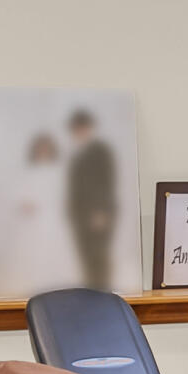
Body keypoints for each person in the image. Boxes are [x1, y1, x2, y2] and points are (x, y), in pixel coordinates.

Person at [64, 107, 120, 289]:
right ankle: (91, 292)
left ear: (88, 128)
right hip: (80, 214)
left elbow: (107, 182)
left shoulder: (100, 152)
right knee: (86, 256)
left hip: (97, 213)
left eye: (82, 128)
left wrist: (101, 211)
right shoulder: (77, 155)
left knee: (98, 255)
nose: (79, 132)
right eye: (76, 129)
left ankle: (102, 293)